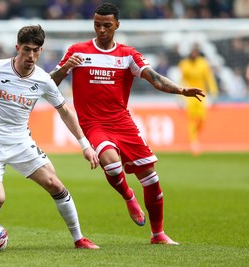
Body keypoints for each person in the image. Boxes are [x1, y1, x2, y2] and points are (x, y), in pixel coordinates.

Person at [50, 3, 205, 245]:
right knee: (111, 164)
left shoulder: (127, 55)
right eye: (97, 25)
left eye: (107, 25)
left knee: (151, 178)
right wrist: (67, 66)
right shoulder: (77, 51)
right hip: (93, 123)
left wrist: (181, 89)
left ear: (117, 26)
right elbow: (50, 83)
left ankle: (158, 234)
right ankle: (128, 195)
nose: (101, 30)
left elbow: (154, 78)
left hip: (122, 122)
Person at [0, 25, 100, 249]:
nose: (31, 56)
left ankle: (79, 239)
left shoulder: (43, 80)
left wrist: (85, 145)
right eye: (27, 50)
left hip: (20, 143)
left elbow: (65, 111)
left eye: (36, 50)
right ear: (17, 48)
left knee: (55, 184)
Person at [178, 43, 218, 155]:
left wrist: (214, 93)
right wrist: (180, 96)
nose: (194, 54)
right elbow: (181, 80)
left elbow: (209, 78)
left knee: (202, 119)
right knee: (191, 119)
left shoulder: (203, 63)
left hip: (201, 95)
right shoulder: (184, 64)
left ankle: (195, 138)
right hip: (189, 96)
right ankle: (193, 142)